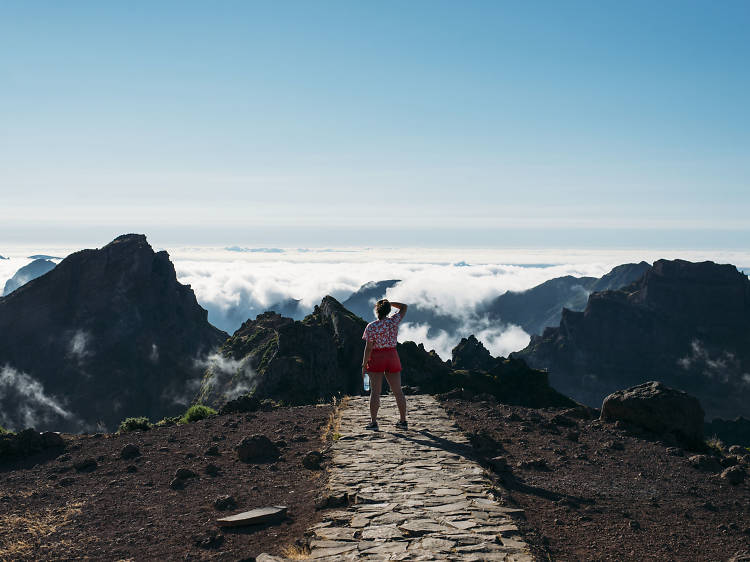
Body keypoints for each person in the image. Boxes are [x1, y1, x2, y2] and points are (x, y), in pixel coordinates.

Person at [361, 299, 408, 430]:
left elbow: (368, 348)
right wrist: (389, 303)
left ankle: (373, 422)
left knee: (375, 392)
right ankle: (403, 421)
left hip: (377, 357)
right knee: (398, 391)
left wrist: (364, 365)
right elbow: (404, 306)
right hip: (392, 356)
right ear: (388, 311)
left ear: (377, 310)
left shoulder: (371, 326)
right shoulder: (394, 321)